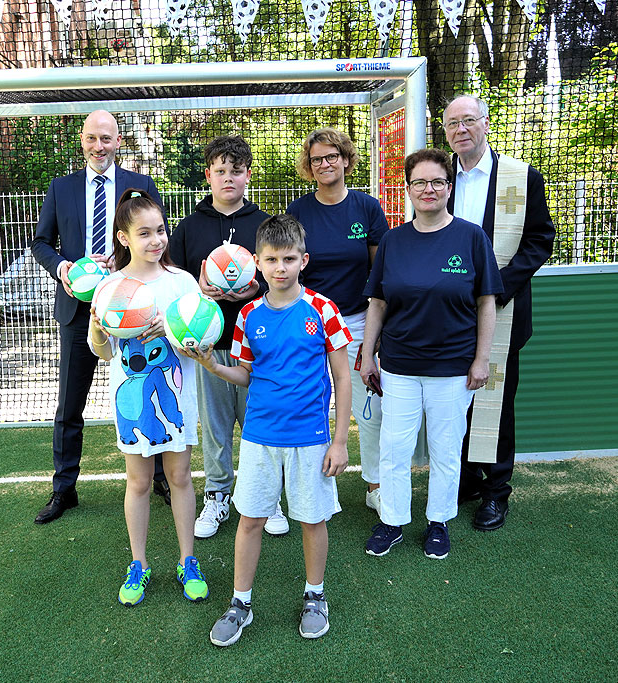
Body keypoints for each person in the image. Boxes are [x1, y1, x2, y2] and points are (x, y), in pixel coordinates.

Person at [185, 214, 352, 645]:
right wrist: (212, 365)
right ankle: (240, 603)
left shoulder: (324, 310)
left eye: (289, 259)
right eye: (272, 259)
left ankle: (315, 596)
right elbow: (245, 375)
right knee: (250, 521)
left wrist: (339, 441)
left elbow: (342, 377)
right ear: (257, 263)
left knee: (312, 520)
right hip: (259, 438)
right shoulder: (247, 315)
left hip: (311, 439)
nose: (280, 267)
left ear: (303, 261)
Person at [360, 148, 503, 560]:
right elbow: (378, 303)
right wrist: (367, 355)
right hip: (400, 367)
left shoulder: (471, 238)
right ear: (408, 189)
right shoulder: (393, 241)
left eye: (437, 181)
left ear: (449, 187)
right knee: (394, 448)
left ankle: (438, 522)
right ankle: (392, 521)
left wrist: (481, 359)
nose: (428, 189)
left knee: (445, 450)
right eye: (419, 182)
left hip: (453, 369)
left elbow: (487, 302)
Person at [31, 110, 169, 525]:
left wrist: (125, 265)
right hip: (80, 311)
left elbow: (156, 238)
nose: (98, 146)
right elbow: (41, 242)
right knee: (69, 405)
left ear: (118, 141)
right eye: (91, 138)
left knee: (149, 388)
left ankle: (160, 478)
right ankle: (64, 488)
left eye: (106, 138)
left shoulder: (140, 185)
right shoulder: (61, 188)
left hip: (133, 306)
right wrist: (65, 269)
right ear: (82, 139)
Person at [87, 189, 208, 606]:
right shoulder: (111, 288)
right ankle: (138, 564)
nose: (156, 240)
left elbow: (199, 346)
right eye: (144, 233)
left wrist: (171, 332)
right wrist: (98, 328)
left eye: (160, 230)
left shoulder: (182, 283)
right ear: (123, 238)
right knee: (138, 482)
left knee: (180, 477)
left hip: (175, 395)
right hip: (131, 400)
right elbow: (104, 353)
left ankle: (188, 560)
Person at [167, 135, 289, 539]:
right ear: (208, 175)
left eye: (236, 171)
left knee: (260, 422)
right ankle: (217, 495)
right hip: (209, 347)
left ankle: (267, 498)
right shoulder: (189, 227)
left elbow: (283, 275)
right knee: (216, 428)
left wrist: (259, 289)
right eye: (220, 171)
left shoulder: (265, 225)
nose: (228, 178)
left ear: (247, 174)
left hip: (258, 345)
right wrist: (199, 291)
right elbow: (175, 281)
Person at [443, 95, 556, 531]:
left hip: (502, 306)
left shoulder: (521, 177)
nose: (461, 129)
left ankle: (496, 492)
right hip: (450, 311)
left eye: (469, 120)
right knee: (455, 398)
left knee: (496, 402)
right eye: (453, 123)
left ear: (486, 124)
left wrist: (498, 288)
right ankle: (466, 480)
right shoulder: (439, 177)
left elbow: (540, 239)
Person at [286, 128, 388, 518]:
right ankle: (311, 488)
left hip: (359, 323)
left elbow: (380, 272)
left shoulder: (367, 208)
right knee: (309, 405)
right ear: (309, 166)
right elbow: (288, 268)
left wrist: (376, 332)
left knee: (370, 410)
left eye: (332, 156)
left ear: (345, 159)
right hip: (310, 324)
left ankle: (375, 486)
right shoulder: (298, 211)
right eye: (317, 159)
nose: (325, 164)